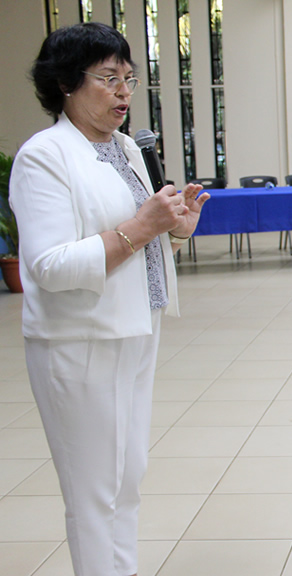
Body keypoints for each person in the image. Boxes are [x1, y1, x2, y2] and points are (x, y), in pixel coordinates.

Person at [9, 23, 211, 576]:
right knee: (94, 491)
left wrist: (176, 228)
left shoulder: (124, 146)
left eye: (129, 78)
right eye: (108, 79)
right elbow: (47, 267)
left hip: (136, 328)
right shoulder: (44, 156)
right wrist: (143, 227)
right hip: (79, 341)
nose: (124, 92)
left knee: (128, 477)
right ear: (68, 85)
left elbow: (138, 230)